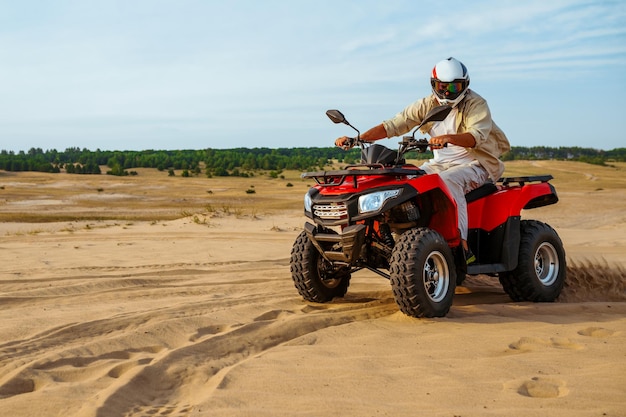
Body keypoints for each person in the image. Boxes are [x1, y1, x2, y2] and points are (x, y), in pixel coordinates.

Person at [334, 57, 511, 263]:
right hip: (439, 165)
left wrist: (448, 139)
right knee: (406, 182)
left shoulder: (476, 104)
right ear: (434, 84)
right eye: (442, 86)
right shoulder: (426, 105)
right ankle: (396, 237)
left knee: (449, 181)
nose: (447, 92)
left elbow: (475, 136)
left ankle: (461, 245)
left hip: (476, 165)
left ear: (465, 85)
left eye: (454, 86)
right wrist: (358, 139)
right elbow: (393, 125)